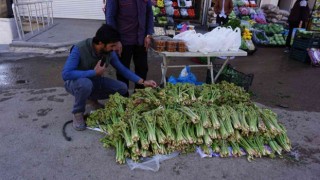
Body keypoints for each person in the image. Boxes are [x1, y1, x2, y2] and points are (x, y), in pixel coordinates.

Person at [61, 24, 157, 131]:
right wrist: (93, 73)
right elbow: (66, 74)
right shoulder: (79, 49)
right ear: (101, 43)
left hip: (93, 82)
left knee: (122, 87)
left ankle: (92, 99)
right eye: (112, 46)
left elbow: (123, 69)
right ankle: (77, 113)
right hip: (75, 83)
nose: (114, 49)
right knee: (85, 84)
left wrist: (143, 82)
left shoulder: (108, 52)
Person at [106, 0, 154, 93]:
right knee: (122, 71)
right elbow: (110, 17)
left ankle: (139, 96)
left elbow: (149, 13)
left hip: (141, 40)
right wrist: (115, 40)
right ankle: (123, 98)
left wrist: (148, 34)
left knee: (142, 69)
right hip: (123, 41)